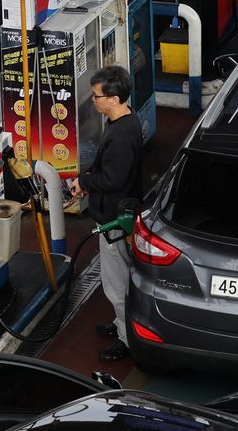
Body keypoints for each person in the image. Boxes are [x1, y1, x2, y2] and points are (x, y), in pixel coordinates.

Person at [70, 65, 143, 362]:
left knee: (116, 282)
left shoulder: (122, 135)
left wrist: (85, 181)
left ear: (113, 98)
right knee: (119, 275)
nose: (94, 101)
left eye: (98, 96)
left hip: (114, 219)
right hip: (114, 213)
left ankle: (126, 340)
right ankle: (120, 325)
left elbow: (114, 179)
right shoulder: (124, 121)